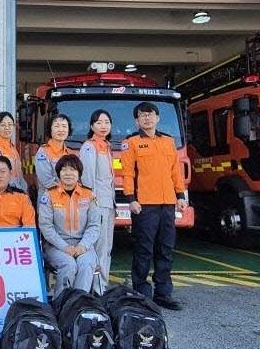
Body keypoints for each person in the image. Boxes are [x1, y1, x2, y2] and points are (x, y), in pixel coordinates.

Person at [121, 102, 188, 311]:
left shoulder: (168, 142)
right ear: (136, 120)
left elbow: (175, 172)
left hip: (168, 203)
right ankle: (141, 292)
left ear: (158, 118)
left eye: (150, 114)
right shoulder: (131, 143)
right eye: (142, 115)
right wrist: (131, 199)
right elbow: (127, 173)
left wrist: (180, 195)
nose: (147, 118)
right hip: (144, 205)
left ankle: (163, 292)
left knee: (165, 249)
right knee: (144, 249)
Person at [38, 154, 99, 298]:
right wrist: (64, 247)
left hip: (83, 245)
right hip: (56, 246)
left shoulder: (89, 194)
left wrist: (83, 246)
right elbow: (46, 226)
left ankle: (79, 303)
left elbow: (94, 225)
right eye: (64, 170)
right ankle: (61, 302)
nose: (68, 173)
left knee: (86, 264)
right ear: (58, 173)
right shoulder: (49, 195)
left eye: (72, 169)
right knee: (69, 264)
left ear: (79, 173)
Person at [79, 109, 116, 290]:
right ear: (92, 126)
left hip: (109, 204)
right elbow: (87, 180)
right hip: (98, 204)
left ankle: (102, 285)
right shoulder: (90, 147)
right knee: (98, 247)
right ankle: (96, 288)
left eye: (107, 122)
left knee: (106, 247)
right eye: (99, 122)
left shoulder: (106, 146)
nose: (103, 126)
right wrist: (91, 205)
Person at [34, 113, 75, 192]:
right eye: (57, 126)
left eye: (64, 126)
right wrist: (65, 192)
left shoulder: (69, 153)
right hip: (50, 196)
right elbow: (46, 180)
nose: (61, 130)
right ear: (50, 129)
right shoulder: (43, 152)